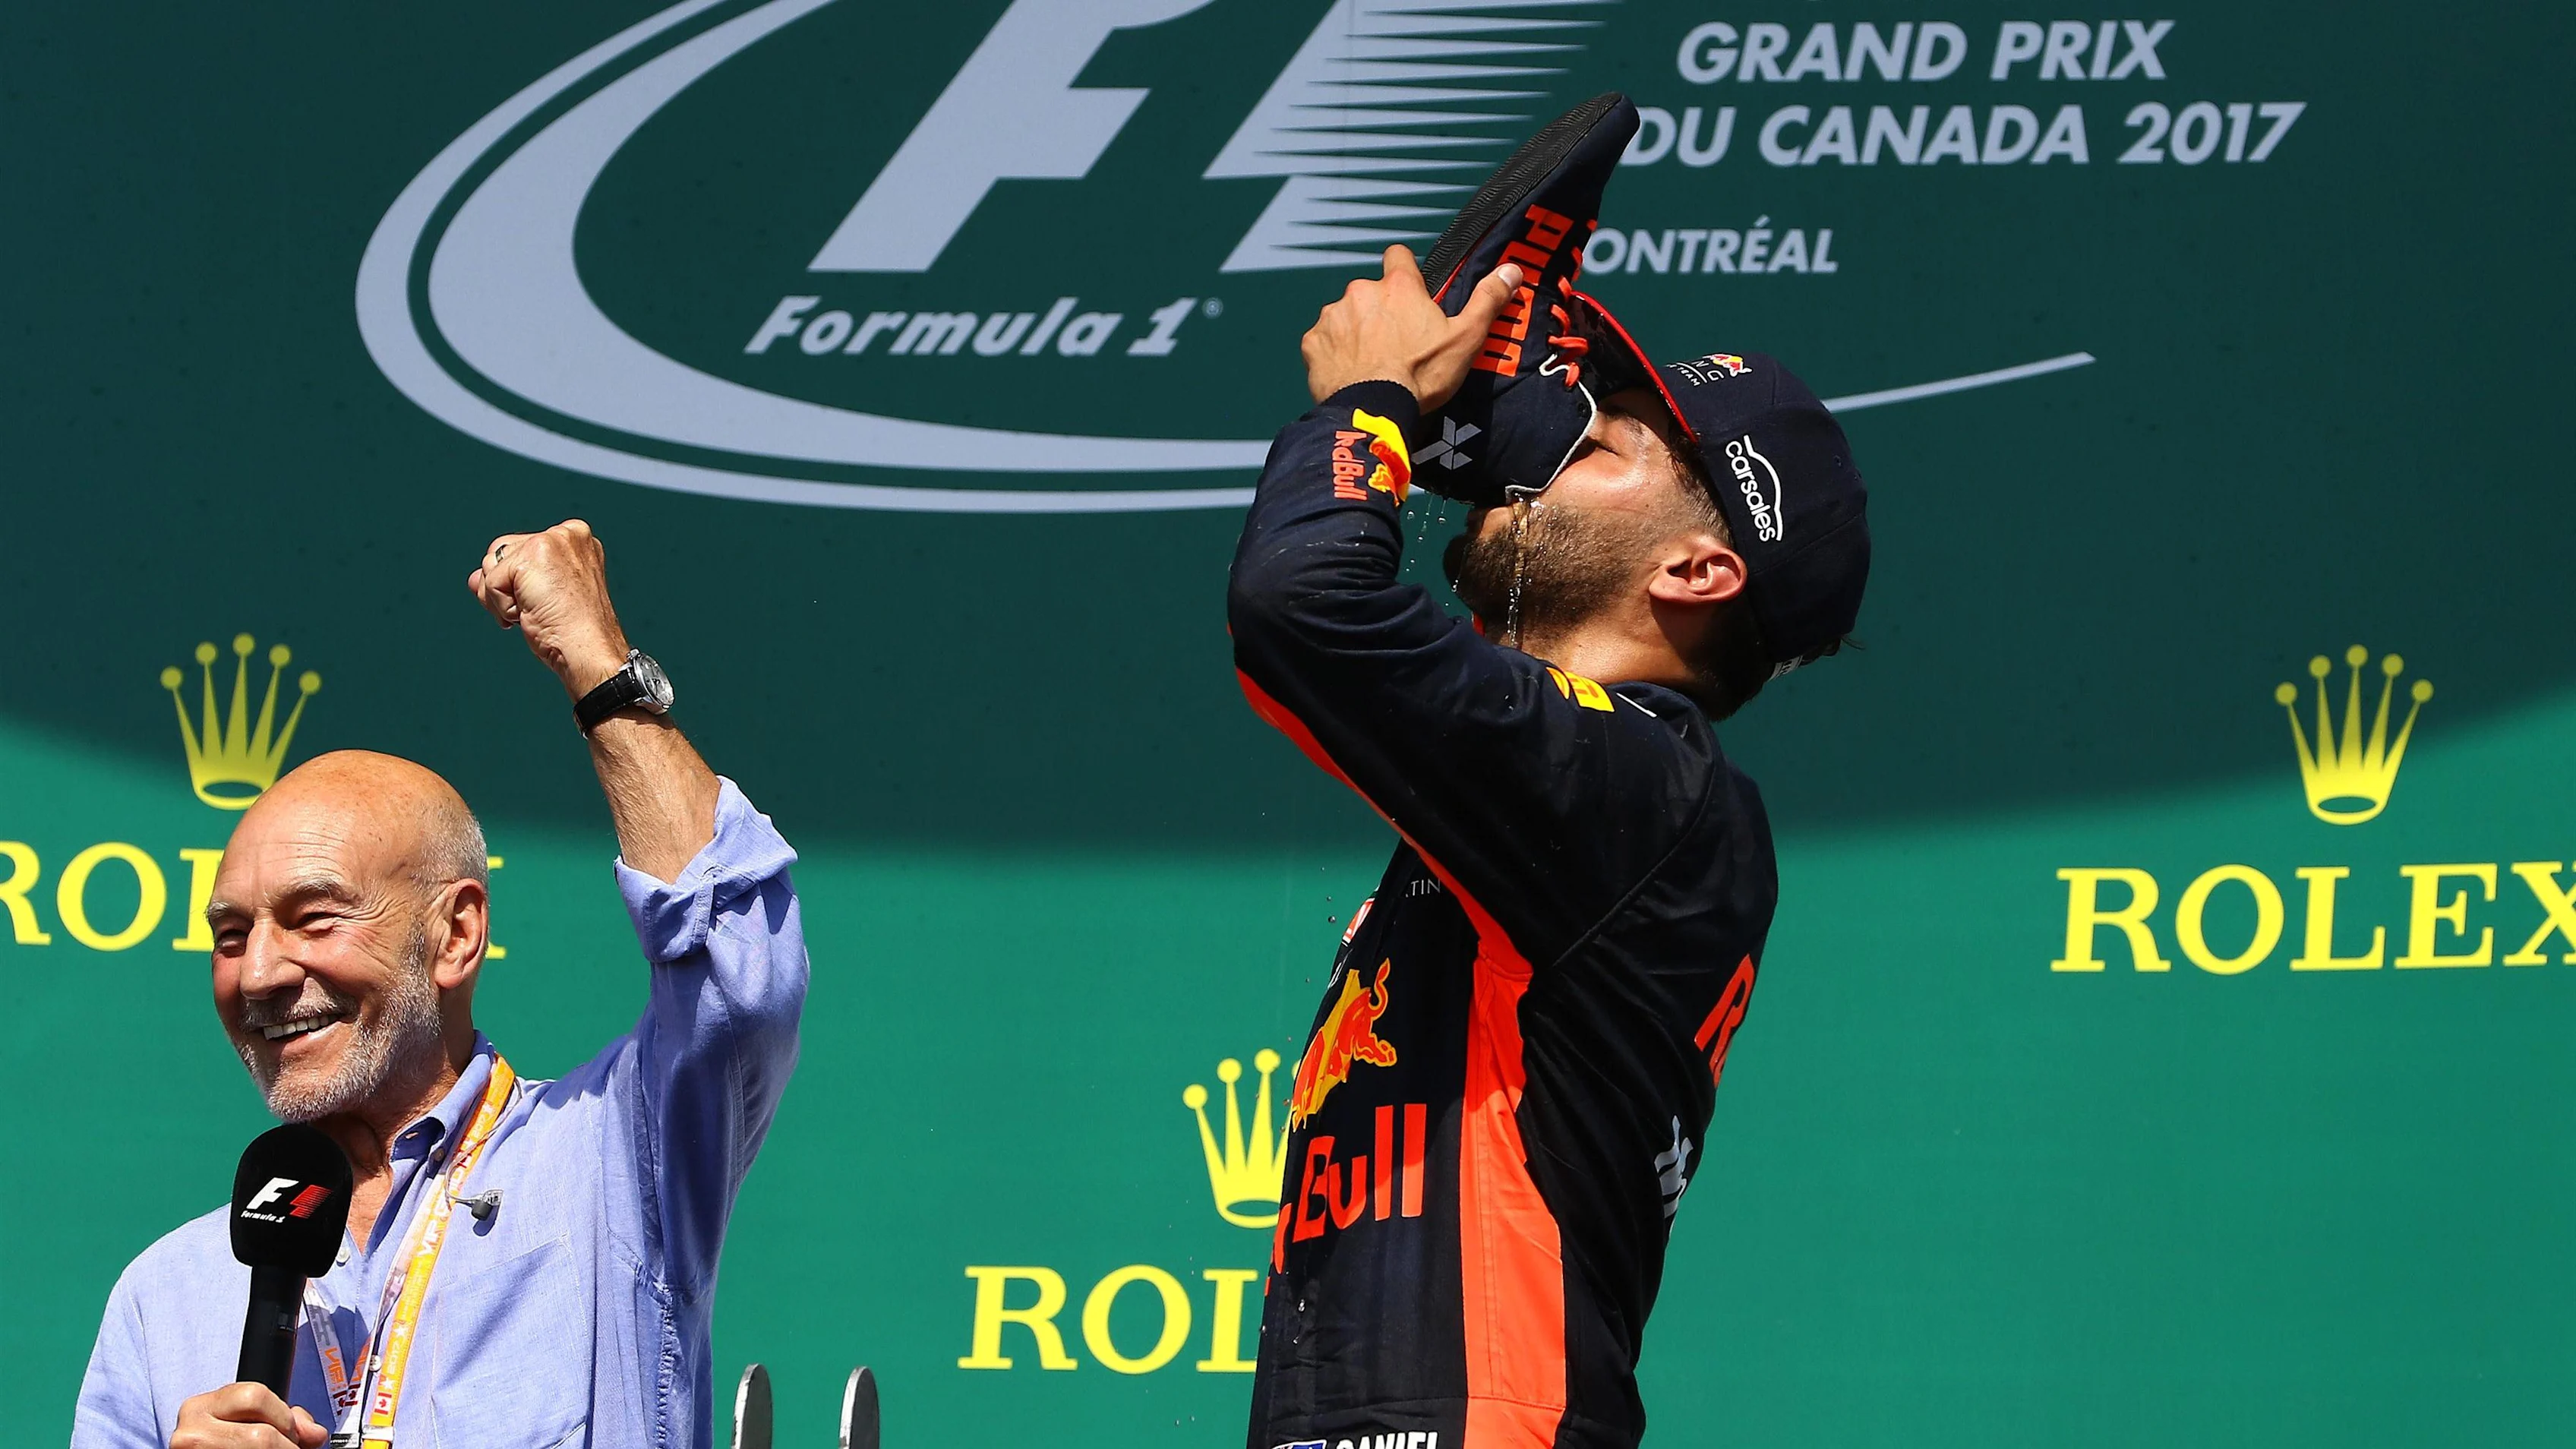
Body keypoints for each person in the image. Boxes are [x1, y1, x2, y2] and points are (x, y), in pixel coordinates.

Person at [1228, 243, 1868, 1449]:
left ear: (1697, 569)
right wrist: (1453, 430)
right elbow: (1422, 653)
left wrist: (1372, 407)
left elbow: (1310, 607)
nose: (1548, 453)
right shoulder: (1564, 804)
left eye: (1602, 448)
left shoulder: (1648, 785)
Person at [73, 521, 807, 1449]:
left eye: (313, 918)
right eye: (230, 934)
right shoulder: (165, 1295)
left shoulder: (607, 1165)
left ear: (454, 936)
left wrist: (597, 664)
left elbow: (738, 976)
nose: (259, 973)